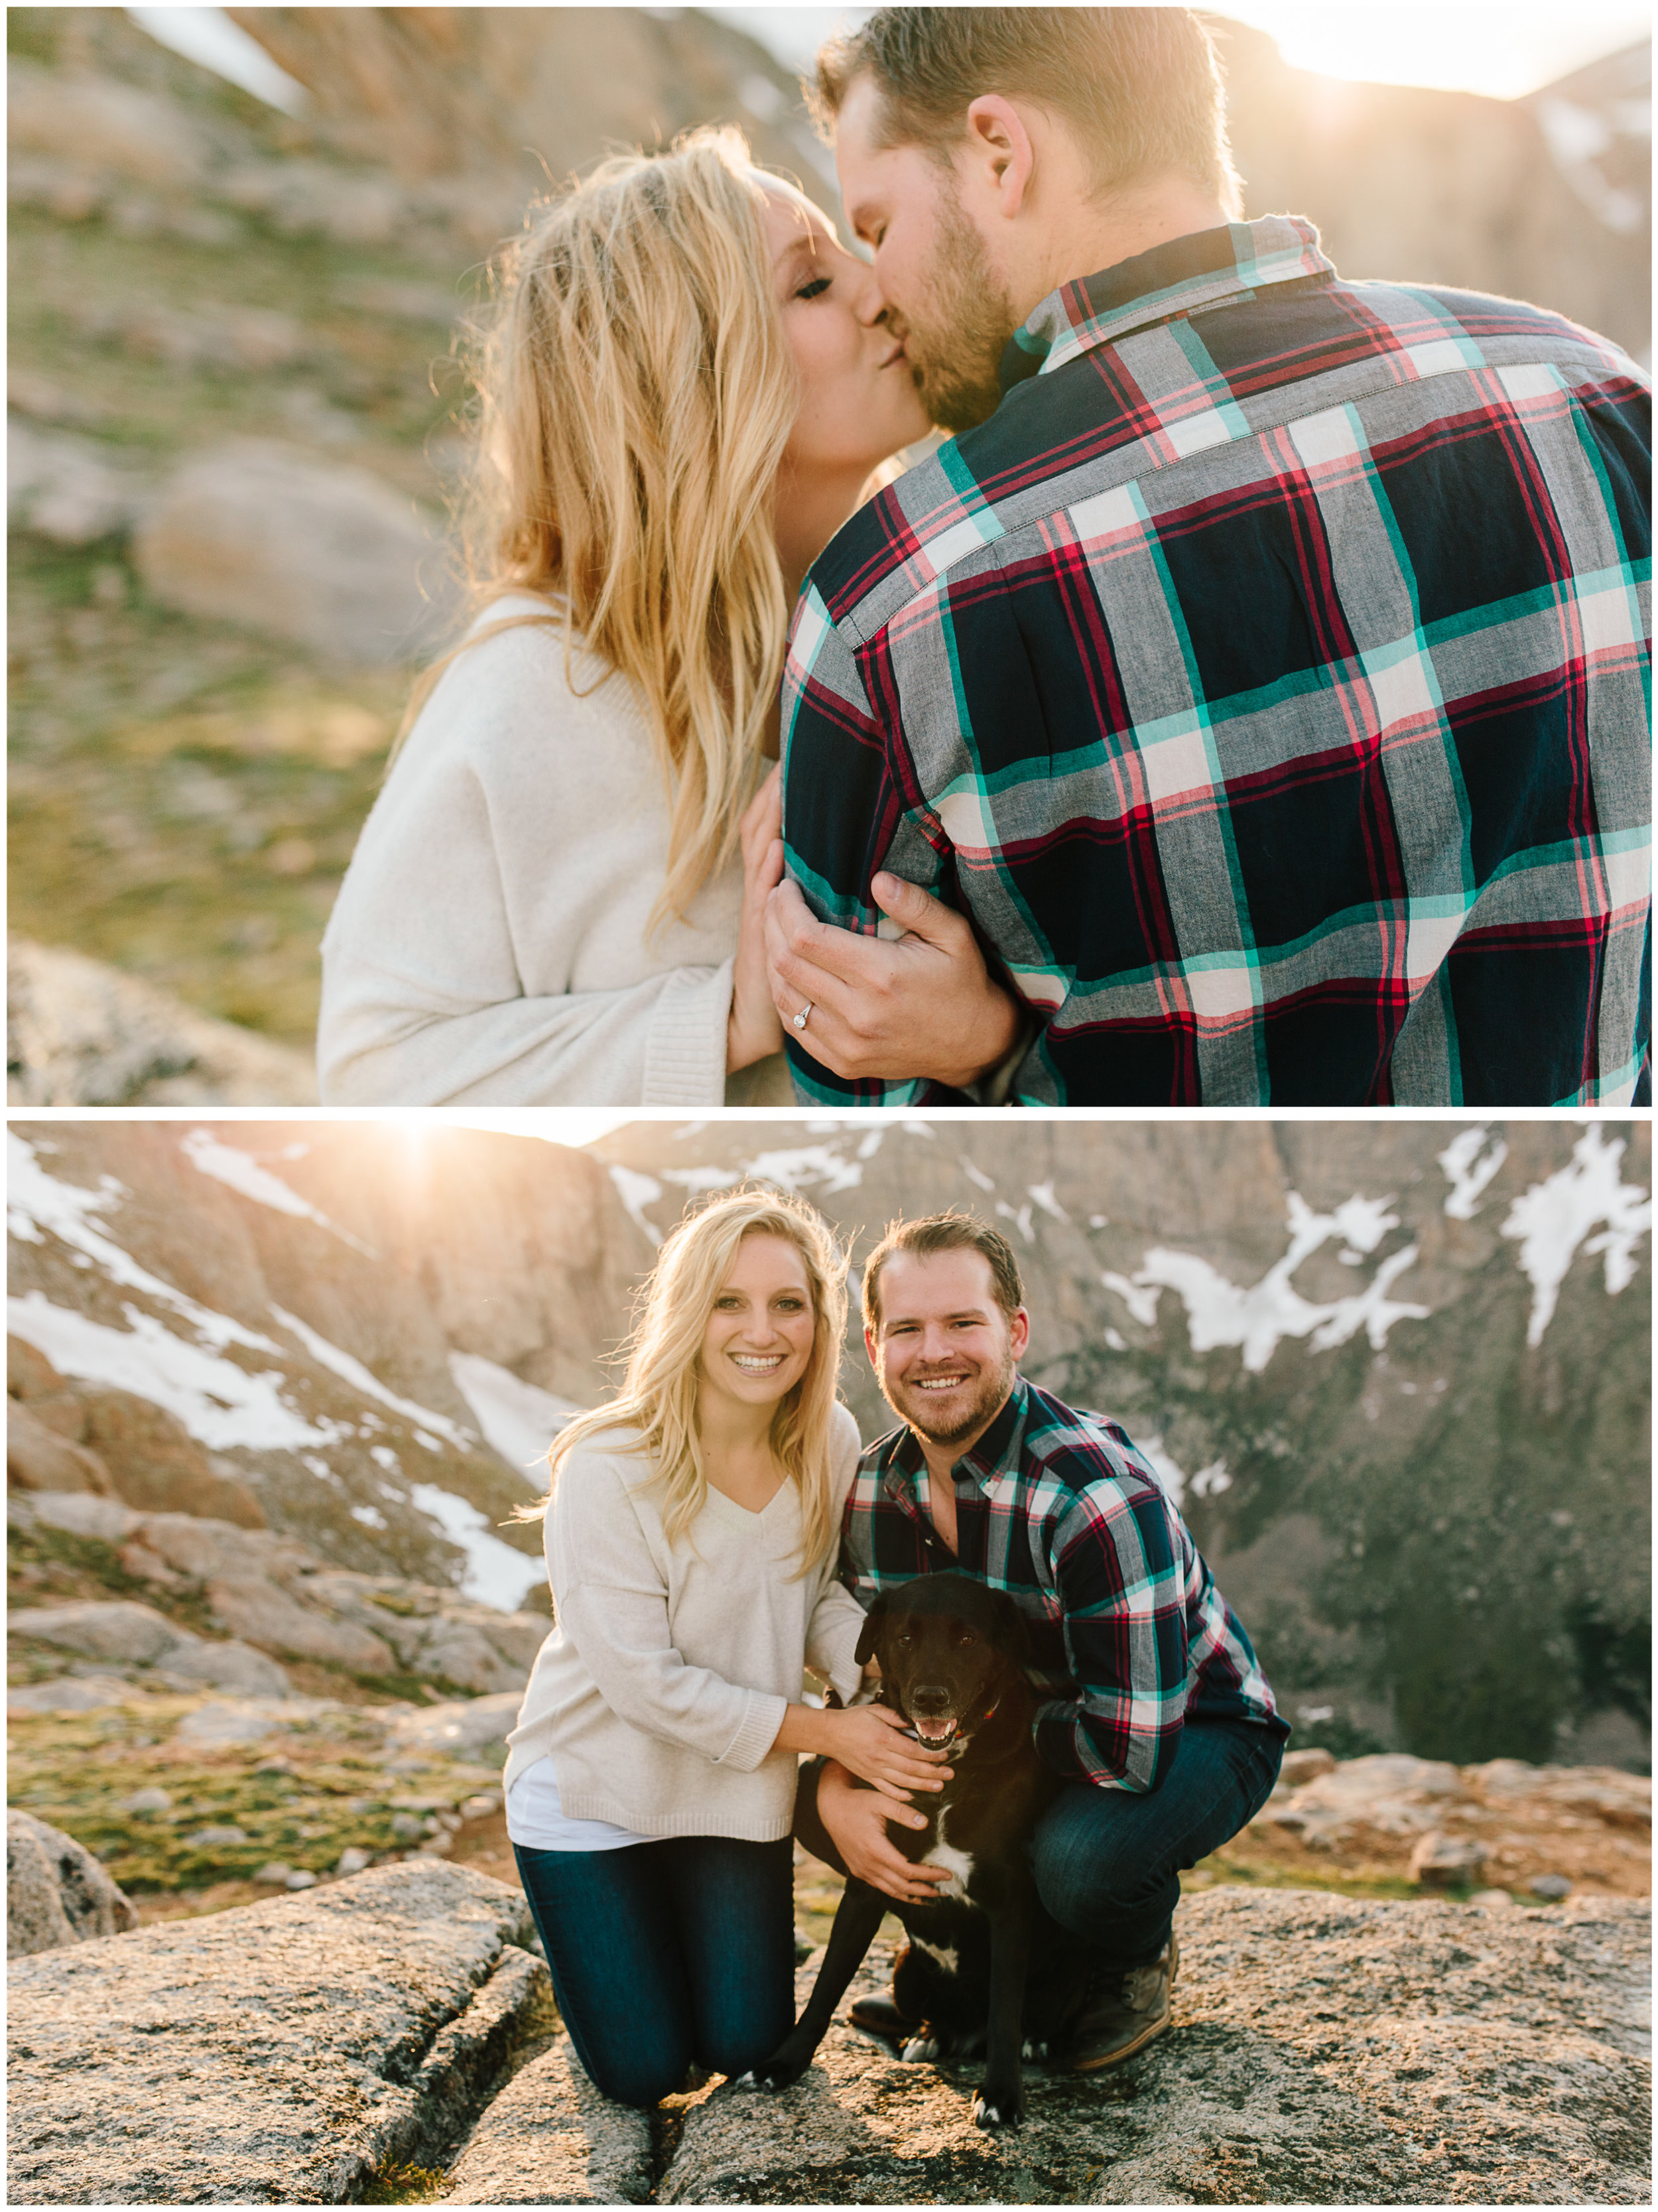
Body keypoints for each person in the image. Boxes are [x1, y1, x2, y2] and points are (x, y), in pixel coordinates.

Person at [768, 6, 1653, 1107]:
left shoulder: (891, 608)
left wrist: (997, 1059)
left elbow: (868, 1114)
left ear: (1000, 152)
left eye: (878, 223)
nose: (881, 289)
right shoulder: (1594, 398)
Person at [318, 127, 1021, 1107]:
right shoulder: (533, 693)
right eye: (812, 285)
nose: (877, 289)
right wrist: (719, 1021)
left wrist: (982, 1044)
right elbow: (373, 1075)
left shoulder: (931, 635)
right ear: (687, 384)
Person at [793, 1212, 1289, 2070]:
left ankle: (1127, 1963)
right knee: (808, 1802)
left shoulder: (1094, 1499)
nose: (933, 1351)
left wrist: (984, 1769)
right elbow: (890, 1674)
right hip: (1025, 1725)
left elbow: (1127, 1750)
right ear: (873, 1346)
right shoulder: (874, 1489)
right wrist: (837, 1783)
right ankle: (954, 1951)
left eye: (963, 1324)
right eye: (906, 1329)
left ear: (1015, 1333)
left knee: (1076, 1861)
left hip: (1193, 1728)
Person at [502, 1187, 955, 2108]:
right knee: (643, 2074)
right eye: (729, 1302)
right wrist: (830, 1738)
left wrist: (874, 1682)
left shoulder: (825, 1439)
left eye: (789, 1303)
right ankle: (616, 1946)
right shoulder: (607, 1465)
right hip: (594, 1792)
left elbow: (817, 1590)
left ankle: (660, 1944)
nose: (764, 1331)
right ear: (687, 1314)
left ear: (820, 1320)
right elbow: (643, 1685)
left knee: (746, 2046)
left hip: (731, 1791)